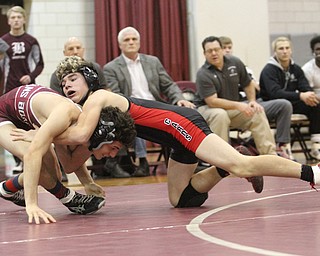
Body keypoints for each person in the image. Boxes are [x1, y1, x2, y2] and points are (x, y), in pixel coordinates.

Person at [43, 56, 320, 217]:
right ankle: (221, 170)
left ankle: (313, 173)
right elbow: (70, 161)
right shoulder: (85, 109)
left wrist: (41, 135)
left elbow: (79, 137)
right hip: (174, 138)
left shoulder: (100, 97)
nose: (66, 85)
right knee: (182, 200)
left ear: (90, 79)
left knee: (242, 166)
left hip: (181, 123)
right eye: (63, 83)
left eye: (73, 79)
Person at [0, 83, 136, 224]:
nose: (113, 155)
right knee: (34, 158)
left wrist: (87, 183)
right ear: (104, 137)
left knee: (55, 178)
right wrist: (32, 204)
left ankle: (6, 189)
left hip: (29, 119)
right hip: (4, 114)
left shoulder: (81, 127)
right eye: (114, 148)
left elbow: (70, 161)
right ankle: (69, 197)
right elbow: (32, 155)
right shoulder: (65, 116)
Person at [103, 26, 195, 177]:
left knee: (187, 112)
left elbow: (168, 85)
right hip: (131, 107)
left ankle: (190, 158)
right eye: (127, 40)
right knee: (135, 118)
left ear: (139, 42)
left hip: (156, 106)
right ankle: (142, 162)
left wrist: (180, 99)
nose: (131, 42)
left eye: (134, 39)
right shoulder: (111, 68)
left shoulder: (153, 62)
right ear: (120, 45)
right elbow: (116, 95)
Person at [194, 36, 279, 159]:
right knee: (219, 114)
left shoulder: (235, 62)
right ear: (204, 54)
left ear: (222, 50)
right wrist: (239, 105)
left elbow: (248, 83)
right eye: (209, 51)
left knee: (256, 112)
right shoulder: (203, 73)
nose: (214, 53)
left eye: (216, 49)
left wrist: (252, 101)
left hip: (230, 109)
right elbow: (212, 102)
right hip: (206, 110)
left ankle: (270, 156)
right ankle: (222, 160)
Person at [219, 36, 295, 160]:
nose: (227, 50)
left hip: (252, 102)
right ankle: (230, 154)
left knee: (283, 104)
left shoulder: (242, 67)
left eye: (229, 47)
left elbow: (256, 88)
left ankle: (281, 147)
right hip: (233, 107)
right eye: (224, 48)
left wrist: (252, 98)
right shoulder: (215, 71)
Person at [260, 36, 320, 160]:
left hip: (291, 103)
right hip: (271, 105)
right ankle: (283, 147)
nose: (285, 51)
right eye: (281, 48)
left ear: (291, 50)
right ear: (275, 52)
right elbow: (274, 93)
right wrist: (300, 95)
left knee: (315, 103)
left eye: (287, 48)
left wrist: (309, 95)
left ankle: (316, 144)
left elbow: (304, 86)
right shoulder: (268, 70)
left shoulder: (296, 69)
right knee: (284, 104)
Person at [0, 6, 45, 173]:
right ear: (9, 20)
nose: (16, 20)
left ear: (24, 19)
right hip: (9, 87)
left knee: (29, 122)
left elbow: (40, 63)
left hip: (27, 88)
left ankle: (31, 155)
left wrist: (30, 76)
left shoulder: (31, 40)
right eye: (13, 17)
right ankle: (18, 160)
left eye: (19, 17)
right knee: (11, 124)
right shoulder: (3, 41)